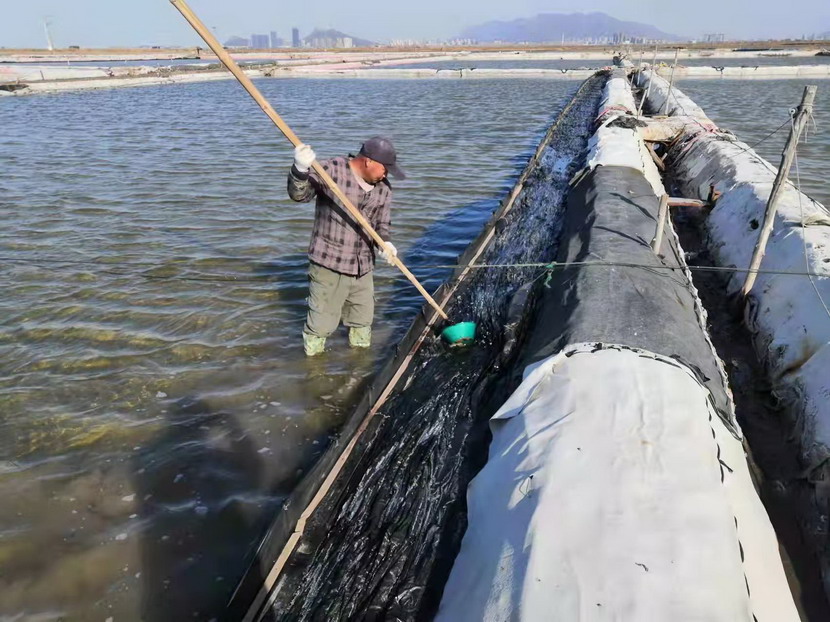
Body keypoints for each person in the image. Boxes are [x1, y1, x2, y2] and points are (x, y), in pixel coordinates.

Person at [287, 136, 405, 356]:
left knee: (362, 322)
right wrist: (300, 169)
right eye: (385, 169)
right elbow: (299, 195)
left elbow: (382, 224)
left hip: (363, 267)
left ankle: (358, 365)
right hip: (329, 264)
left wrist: (385, 243)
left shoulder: (384, 188)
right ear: (368, 161)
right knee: (320, 325)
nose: (386, 175)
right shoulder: (331, 170)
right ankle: (313, 365)